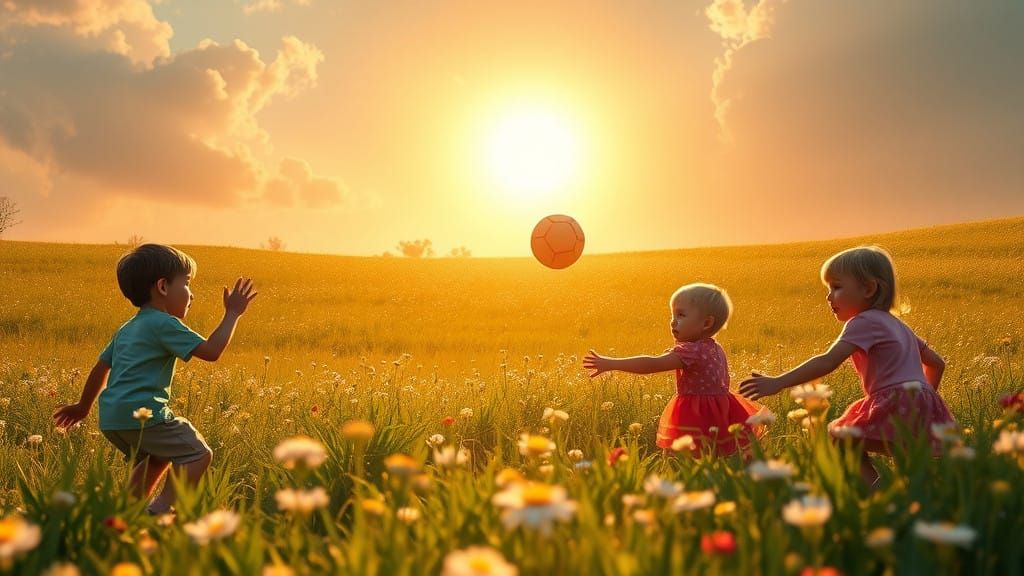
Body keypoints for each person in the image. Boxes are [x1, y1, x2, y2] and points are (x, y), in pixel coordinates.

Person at [53, 244, 257, 513]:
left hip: (113, 418)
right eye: (186, 284)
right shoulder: (163, 323)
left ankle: (128, 510)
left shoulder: (128, 328)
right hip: (143, 414)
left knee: (158, 457)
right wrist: (232, 313)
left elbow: (101, 367)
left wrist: (83, 407)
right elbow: (211, 351)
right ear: (162, 287)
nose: (191, 294)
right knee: (197, 453)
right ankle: (159, 510)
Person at [739, 246, 953, 485]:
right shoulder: (899, 325)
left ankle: (877, 492)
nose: (829, 296)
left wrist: (777, 382)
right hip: (921, 401)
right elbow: (937, 363)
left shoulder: (863, 321)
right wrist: (922, 397)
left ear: (869, 289)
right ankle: (909, 494)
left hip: (895, 399)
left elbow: (827, 361)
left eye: (837, 287)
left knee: (841, 438)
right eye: (828, 288)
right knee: (908, 459)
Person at [584, 283, 762, 456]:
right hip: (721, 411)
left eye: (681, 315)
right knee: (713, 457)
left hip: (696, 415)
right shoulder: (714, 347)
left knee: (685, 458)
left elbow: (651, 364)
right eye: (673, 315)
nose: (673, 321)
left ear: (706, 323)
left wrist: (611, 363)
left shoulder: (692, 352)